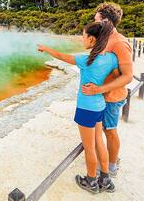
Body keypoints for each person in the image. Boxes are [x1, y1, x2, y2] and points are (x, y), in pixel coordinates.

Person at [37, 21, 117, 194]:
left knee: (89, 147)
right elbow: (117, 76)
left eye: (83, 36)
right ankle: (105, 179)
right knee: (99, 142)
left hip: (86, 108)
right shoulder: (111, 58)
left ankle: (91, 181)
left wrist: (46, 48)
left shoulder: (86, 60)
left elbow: (60, 56)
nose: (82, 39)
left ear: (92, 39)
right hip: (99, 106)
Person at [81, 2, 133, 177]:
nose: (94, 21)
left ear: (106, 21)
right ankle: (104, 162)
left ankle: (111, 166)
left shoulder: (119, 42)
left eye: (96, 19)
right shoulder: (104, 38)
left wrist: (100, 89)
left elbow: (127, 76)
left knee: (109, 130)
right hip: (100, 96)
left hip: (111, 96)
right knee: (100, 130)